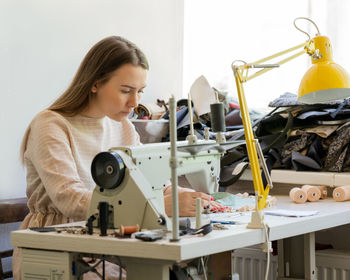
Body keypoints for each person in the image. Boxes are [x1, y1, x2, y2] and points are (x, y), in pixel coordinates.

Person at [13, 36, 221, 279]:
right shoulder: (51, 125)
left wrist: (183, 195)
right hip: (55, 244)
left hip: (106, 238)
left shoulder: (121, 126)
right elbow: (68, 199)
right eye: (126, 91)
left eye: (140, 92)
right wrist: (156, 208)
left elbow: (148, 177)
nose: (134, 103)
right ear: (95, 84)